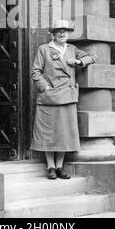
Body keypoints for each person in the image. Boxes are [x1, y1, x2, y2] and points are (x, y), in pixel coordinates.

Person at [31, 20, 95, 180]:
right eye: (59, 31)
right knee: (49, 132)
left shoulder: (72, 49)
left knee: (64, 133)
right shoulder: (44, 49)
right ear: (53, 33)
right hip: (49, 98)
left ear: (68, 33)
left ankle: (60, 166)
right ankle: (50, 167)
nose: (62, 34)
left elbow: (92, 57)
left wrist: (79, 62)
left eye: (65, 31)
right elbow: (36, 72)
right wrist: (45, 88)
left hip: (67, 96)